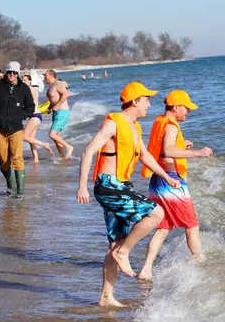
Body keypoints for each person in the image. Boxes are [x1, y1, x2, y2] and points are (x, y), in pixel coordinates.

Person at [76, 82, 181, 307]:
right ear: (135, 102)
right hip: (108, 186)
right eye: (147, 100)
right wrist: (82, 186)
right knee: (156, 213)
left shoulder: (135, 126)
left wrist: (167, 176)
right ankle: (125, 253)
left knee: (114, 243)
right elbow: (87, 152)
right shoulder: (113, 124)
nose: (150, 105)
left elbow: (145, 156)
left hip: (120, 184)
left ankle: (106, 297)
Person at [138, 90, 213, 281]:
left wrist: (182, 145)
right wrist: (198, 153)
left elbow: (164, 149)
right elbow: (168, 149)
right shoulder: (171, 125)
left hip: (157, 180)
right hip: (171, 181)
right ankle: (202, 267)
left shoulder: (159, 121)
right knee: (192, 226)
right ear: (176, 107)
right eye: (186, 108)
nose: (187, 112)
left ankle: (146, 269)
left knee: (163, 228)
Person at [0, 61, 35, 197]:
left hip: (16, 128)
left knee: (17, 158)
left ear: (18, 74)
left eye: (14, 73)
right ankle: (10, 186)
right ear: (6, 73)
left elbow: (30, 106)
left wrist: (22, 115)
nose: (11, 75)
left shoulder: (24, 88)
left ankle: (20, 193)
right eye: (9, 72)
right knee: (3, 159)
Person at [22, 74, 52, 162]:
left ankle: (44, 144)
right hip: (36, 116)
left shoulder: (30, 89)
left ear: (30, 81)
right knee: (31, 139)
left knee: (24, 137)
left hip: (35, 116)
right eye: (22, 80)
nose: (23, 82)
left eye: (25, 80)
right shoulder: (27, 89)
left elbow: (34, 101)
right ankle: (36, 159)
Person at [44, 70, 73, 158]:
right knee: (56, 137)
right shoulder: (50, 86)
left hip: (62, 112)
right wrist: (50, 107)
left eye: (45, 75)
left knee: (52, 134)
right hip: (56, 112)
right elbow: (54, 98)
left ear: (50, 75)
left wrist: (57, 105)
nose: (44, 77)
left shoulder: (58, 84)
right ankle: (62, 156)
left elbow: (65, 94)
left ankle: (69, 147)